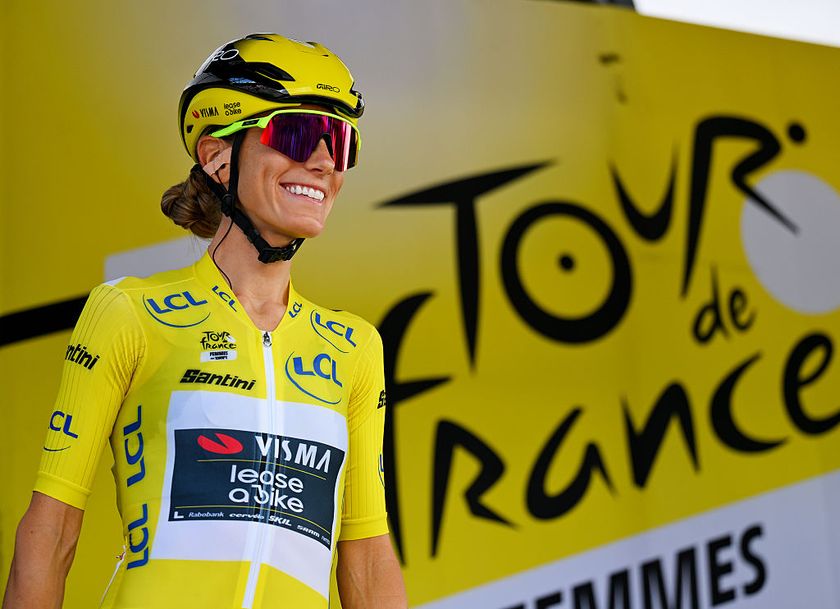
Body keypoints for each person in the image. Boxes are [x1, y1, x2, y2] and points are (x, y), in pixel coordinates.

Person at [3, 33, 407, 609]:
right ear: (218, 158)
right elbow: (52, 532)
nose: (321, 162)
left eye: (339, 143)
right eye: (295, 133)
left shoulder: (354, 347)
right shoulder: (129, 313)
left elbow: (366, 558)